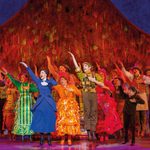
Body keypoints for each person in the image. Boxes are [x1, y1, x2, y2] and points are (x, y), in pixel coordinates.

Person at [20, 62, 57, 146]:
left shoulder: (49, 81)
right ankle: (41, 138)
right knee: (40, 120)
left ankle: (49, 138)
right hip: (40, 102)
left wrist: (49, 80)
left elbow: (55, 83)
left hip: (48, 103)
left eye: (43, 73)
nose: (41, 74)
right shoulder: (38, 81)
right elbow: (32, 75)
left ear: (46, 74)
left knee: (48, 119)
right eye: (40, 73)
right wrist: (27, 66)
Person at [69, 52, 103, 140]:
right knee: (87, 111)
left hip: (93, 93)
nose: (84, 68)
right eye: (83, 67)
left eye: (86, 67)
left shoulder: (96, 75)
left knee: (94, 112)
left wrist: (94, 81)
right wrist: (73, 57)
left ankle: (93, 131)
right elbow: (77, 67)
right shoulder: (82, 76)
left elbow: (102, 84)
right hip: (85, 94)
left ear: (90, 68)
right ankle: (89, 132)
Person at [1, 67, 38, 141]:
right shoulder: (19, 84)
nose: (22, 78)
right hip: (21, 104)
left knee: (29, 118)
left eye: (23, 77)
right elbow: (12, 79)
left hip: (29, 103)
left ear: (27, 78)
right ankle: (21, 133)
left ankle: (30, 133)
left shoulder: (30, 85)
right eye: (21, 77)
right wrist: (7, 73)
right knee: (21, 118)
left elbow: (36, 89)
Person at [54, 74, 81, 145]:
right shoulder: (59, 87)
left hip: (70, 107)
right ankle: (62, 138)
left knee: (69, 122)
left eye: (63, 80)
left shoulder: (71, 86)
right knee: (62, 122)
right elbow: (50, 86)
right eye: (61, 80)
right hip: (62, 106)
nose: (62, 81)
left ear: (66, 80)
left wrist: (72, 90)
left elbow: (79, 93)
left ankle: (69, 138)